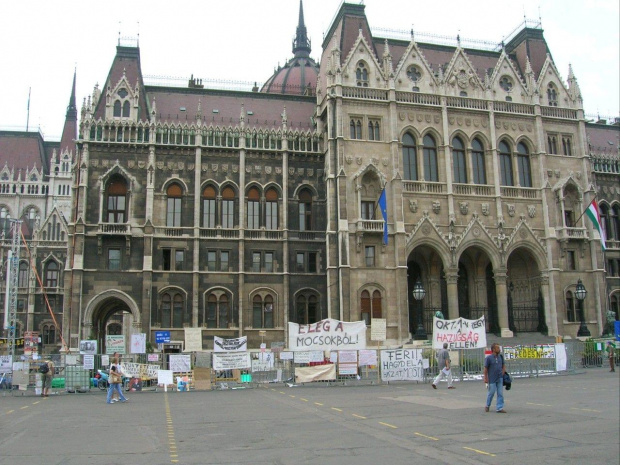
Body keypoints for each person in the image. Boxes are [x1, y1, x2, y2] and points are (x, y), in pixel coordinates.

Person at [483, 343, 506, 413]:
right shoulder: (489, 358)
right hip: (492, 378)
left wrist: (503, 372)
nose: (499, 349)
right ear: (493, 349)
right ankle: (487, 405)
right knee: (491, 392)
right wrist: (485, 378)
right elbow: (485, 369)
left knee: (500, 393)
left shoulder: (500, 357)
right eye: (498, 348)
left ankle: (499, 407)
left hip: (500, 378)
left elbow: (503, 365)